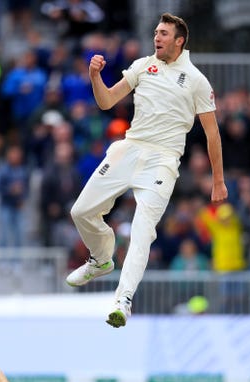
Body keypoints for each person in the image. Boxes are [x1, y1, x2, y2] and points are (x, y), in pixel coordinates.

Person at [66, 13, 227, 328]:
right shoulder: (142, 65)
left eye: (164, 33)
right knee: (81, 211)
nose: (158, 37)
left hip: (163, 159)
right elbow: (107, 101)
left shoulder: (196, 80)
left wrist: (218, 180)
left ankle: (122, 300)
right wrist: (95, 77)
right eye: (156, 32)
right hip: (130, 148)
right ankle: (100, 259)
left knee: (142, 231)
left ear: (179, 41)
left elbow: (212, 134)